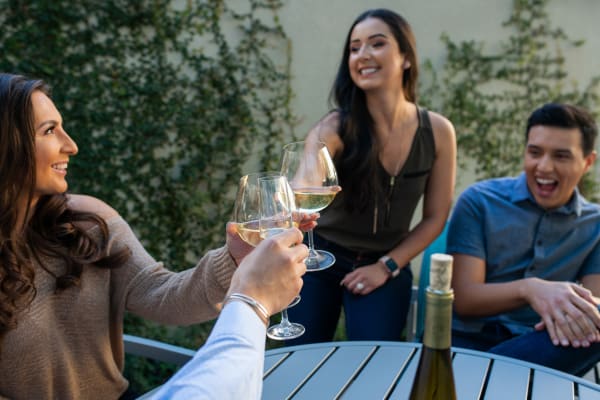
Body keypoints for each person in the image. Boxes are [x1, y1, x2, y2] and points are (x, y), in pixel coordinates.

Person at [0, 72, 309, 399]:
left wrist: (233, 260)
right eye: (49, 130)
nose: (70, 145)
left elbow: (163, 296)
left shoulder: (87, 221)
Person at [287, 8, 456, 344]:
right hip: (321, 256)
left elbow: (435, 218)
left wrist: (388, 266)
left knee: (377, 362)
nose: (362, 55)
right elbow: (304, 180)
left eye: (376, 44)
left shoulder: (438, 132)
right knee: (297, 356)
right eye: (354, 48)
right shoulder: (334, 127)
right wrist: (303, 192)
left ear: (406, 57)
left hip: (387, 262)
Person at [447, 103, 600, 376]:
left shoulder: (596, 225)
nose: (544, 167)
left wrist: (574, 310)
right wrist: (531, 289)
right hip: (468, 343)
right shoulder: (479, 201)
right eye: (535, 152)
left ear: (588, 162)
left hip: (543, 346)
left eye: (561, 156)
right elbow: (465, 300)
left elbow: (591, 314)